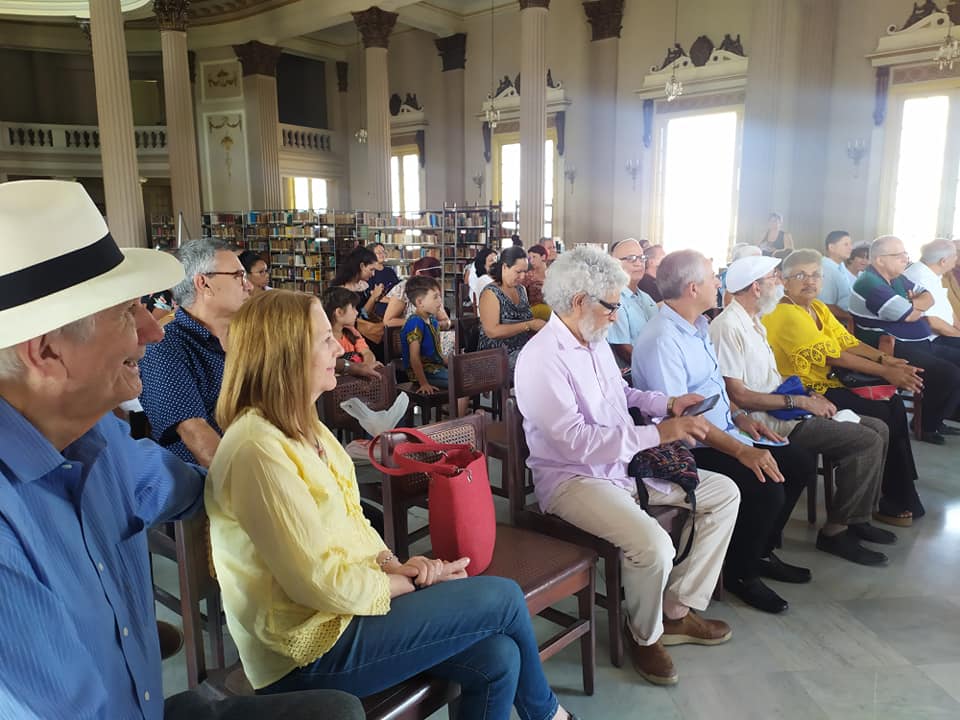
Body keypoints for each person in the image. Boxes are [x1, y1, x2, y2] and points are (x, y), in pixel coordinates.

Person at [0, 179, 363, 720]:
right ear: (47, 352)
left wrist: (298, 477)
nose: (152, 328)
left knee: (337, 712)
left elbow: (204, 485)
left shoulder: (100, 438)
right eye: (127, 313)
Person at [204, 289, 577, 720]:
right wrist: (412, 584)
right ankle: (550, 715)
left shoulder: (307, 427)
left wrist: (394, 564)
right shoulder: (257, 450)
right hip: (306, 651)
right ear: (287, 354)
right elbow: (318, 582)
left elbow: (353, 521)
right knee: (504, 598)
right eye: (325, 339)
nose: (337, 348)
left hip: (348, 613)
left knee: (498, 658)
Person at [515, 246, 739, 687]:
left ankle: (675, 609)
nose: (618, 315)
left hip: (620, 465)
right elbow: (577, 444)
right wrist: (661, 432)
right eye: (612, 305)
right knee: (653, 546)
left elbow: (624, 394)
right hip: (572, 480)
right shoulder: (541, 359)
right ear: (580, 301)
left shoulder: (592, 339)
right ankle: (645, 634)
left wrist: (668, 403)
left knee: (725, 494)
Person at [632, 249, 814, 615]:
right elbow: (683, 423)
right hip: (690, 446)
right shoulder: (663, 340)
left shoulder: (697, 326)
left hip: (723, 428)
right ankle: (740, 573)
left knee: (798, 462)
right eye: (714, 277)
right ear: (692, 287)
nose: (720, 283)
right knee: (766, 485)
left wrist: (741, 418)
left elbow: (712, 389)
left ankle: (759, 550)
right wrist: (741, 450)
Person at [710, 256, 895, 566]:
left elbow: (771, 378)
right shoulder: (728, 326)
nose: (780, 283)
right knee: (866, 440)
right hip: (767, 421)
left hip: (786, 408)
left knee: (879, 427)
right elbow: (738, 394)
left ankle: (857, 517)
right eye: (775, 278)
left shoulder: (754, 320)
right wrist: (801, 402)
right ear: (757, 287)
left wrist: (808, 394)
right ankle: (836, 531)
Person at [763, 248, 925, 525]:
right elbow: (832, 355)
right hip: (803, 391)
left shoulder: (817, 308)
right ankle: (887, 496)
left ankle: (894, 492)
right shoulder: (785, 312)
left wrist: (886, 359)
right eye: (800, 275)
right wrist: (887, 371)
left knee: (893, 404)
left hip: (827, 383)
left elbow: (846, 342)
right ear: (783, 280)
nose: (810, 281)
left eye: (816, 275)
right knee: (883, 411)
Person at [139, 238, 251, 465]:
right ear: (203, 283)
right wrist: (248, 485)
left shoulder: (249, 337)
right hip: (207, 483)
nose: (247, 285)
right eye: (238, 276)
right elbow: (195, 434)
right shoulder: (165, 346)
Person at [849, 236, 960, 444]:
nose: (905, 259)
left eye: (905, 254)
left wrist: (913, 305)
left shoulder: (897, 277)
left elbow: (928, 297)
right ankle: (926, 426)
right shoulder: (869, 283)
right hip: (890, 347)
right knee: (949, 373)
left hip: (918, 341)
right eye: (898, 255)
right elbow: (907, 315)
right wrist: (914, 307)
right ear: (880, 260)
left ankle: (938, 418)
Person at [477, 246, 543, 371]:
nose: (523, 277)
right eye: (518, 272)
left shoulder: (521, 290)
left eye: (525, 271)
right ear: (504, 267)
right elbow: (492, 331)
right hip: (496, 356)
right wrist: (529, 325)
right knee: (539, 365)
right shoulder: (490, 293)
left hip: (521, 349)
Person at [607, 238, 658, 368]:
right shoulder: (614, 299)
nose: (639, 263)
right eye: (631, 258)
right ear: (615, 264)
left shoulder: (646, 298)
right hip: (636, 372)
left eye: (642, 258)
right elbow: (623, 348)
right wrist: (653, 367)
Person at [322, 287, 384, 381]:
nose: (357, 312)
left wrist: (366, 366)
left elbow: (367, 353)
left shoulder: (352, 332)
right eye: (353, 308)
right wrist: (359, 369)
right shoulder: (324, 339)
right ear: (339, 312)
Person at [401, 276, 449, 393]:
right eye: (435, 297)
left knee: (467, 375)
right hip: (422, 373)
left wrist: (456, 363)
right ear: (419, 302)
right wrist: (424, 383)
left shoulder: (432, 320)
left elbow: (438, 353)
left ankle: (457, 409)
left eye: (440, 296)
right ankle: (458, 411)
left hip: (436, 367)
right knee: (461, 380)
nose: (440, 301)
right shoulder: (415, 322)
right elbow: (414, 357)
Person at [903, 238, 959, 332]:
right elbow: (934, 323)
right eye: (954, 256)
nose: (956, 260)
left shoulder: (933, 273)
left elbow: (948, 311)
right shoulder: (920, 278)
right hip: (934, 338)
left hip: (948, 333)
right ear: (943, 261)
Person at [332, 247, 384, 320]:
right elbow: (358, 318)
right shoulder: (342, 291)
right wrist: (373, 297)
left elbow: (368, 313)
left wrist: (375, 299)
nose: (373, 274)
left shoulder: (363, 286)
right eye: (371, 269)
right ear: (362, 266)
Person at [819, 230, 854, 315]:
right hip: (840, 321)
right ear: (831, 247)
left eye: (850, 244)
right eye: (846, 244)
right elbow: (826, 306)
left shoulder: (840, 265)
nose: (851, 248)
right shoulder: (826, 269)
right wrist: (849, 319)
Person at [368, 242, 400, 317]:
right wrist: (393, 301)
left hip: (394, 307)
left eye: (383, 252)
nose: (382, 254)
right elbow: (373, 294)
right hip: (377, 310)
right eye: (379, 253)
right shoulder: (369, 272)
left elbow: (397, 289)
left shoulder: (390, 271)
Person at [522, 243, 550, 320]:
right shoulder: (528, 275)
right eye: (530, 258)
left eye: (534, 257)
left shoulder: (553, 274)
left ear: (543, 257)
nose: (531, 261)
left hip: (553, 312)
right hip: (534, 313)